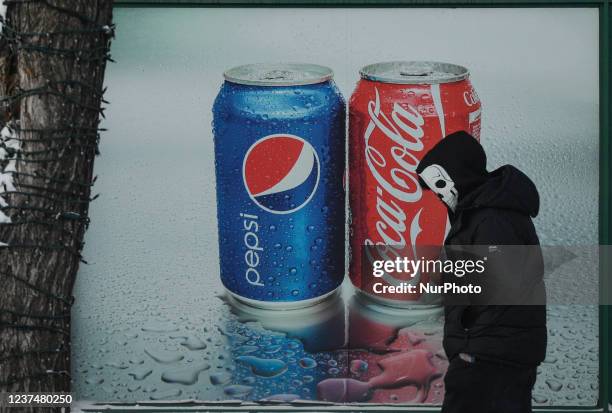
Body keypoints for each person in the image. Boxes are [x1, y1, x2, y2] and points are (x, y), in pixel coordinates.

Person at [416, 131, 547, 413]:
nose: (439, 195)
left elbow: (501, 285)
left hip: (488, 357)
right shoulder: (486, 213)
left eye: (440, 184)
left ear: (458, 174)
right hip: (500, 353)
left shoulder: (491, 217)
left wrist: (468, 348)